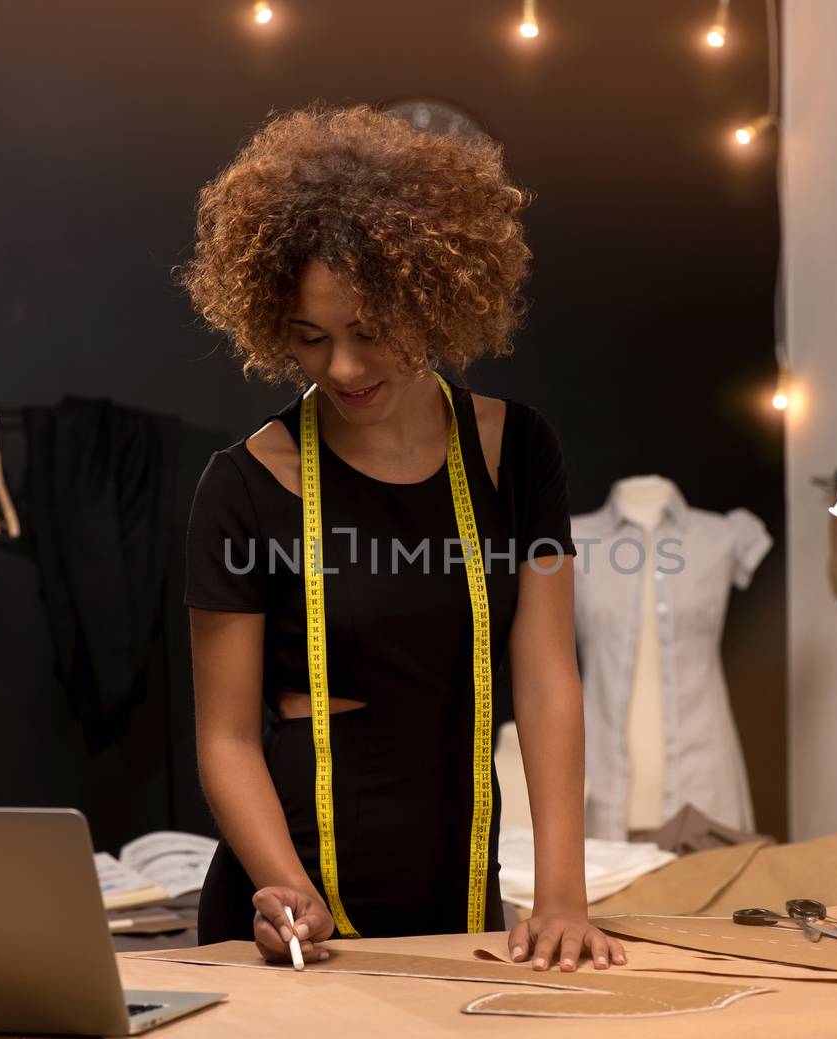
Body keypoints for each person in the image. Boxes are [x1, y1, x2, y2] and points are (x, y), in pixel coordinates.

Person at [180, 104, 624, 973]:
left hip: (458, 896)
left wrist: (564, 895)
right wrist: (282, 885)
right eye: (311, 339)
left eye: (370, 334)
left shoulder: (518, 451)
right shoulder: (242, 486)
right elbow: (226, 738)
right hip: (290, 914)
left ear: (435, 302)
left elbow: (543, 676)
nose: (342, 367)